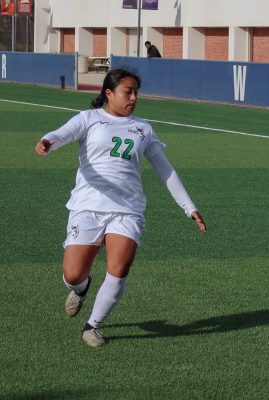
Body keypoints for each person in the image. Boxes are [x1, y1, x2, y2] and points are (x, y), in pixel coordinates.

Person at [35, 68, 207, 347]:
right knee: (73, 274)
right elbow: (62, 134)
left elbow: (166, 171)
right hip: (88, 206)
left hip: (128, 209)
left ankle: (92, 326)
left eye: (137, 92)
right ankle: (81, 288)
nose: (134, 97)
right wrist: (48, 142)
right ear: (109, 93)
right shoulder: (89, 119)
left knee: (119, 267)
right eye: (128, 91)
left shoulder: (143, 129)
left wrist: (189, 207)